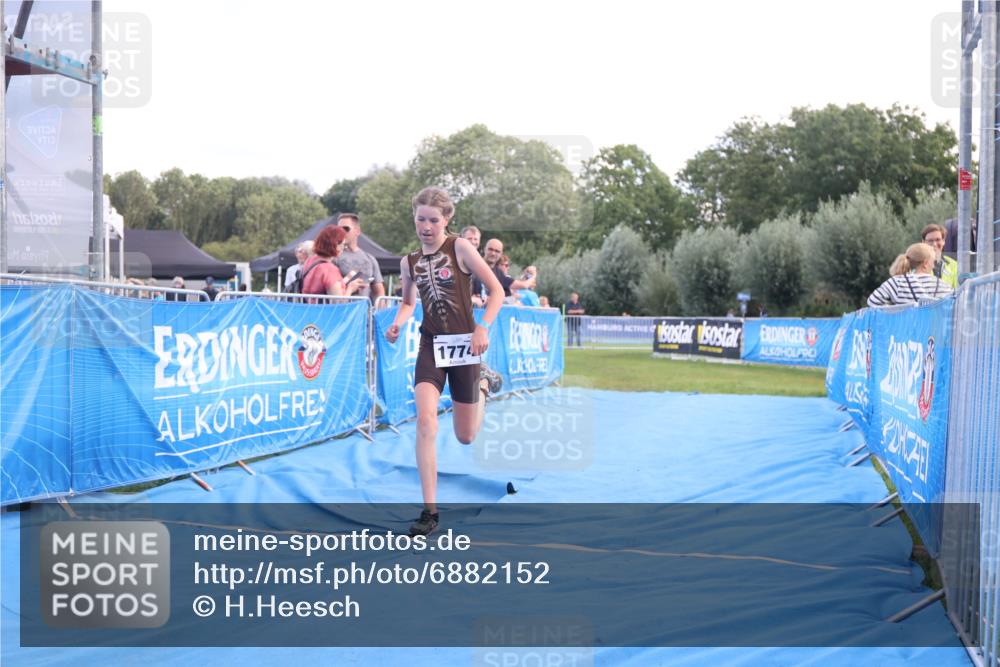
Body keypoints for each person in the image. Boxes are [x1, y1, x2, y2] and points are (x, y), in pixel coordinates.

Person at [385, 187, 504, 536]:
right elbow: (408, 303)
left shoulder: (461, 248)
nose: (426, 226)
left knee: (465, 436)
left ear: (446, 220)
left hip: (466, 346)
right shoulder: (409, 262)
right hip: (431, 345)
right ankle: (430, 512)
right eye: (420, 219)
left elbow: (496, 291)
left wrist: (483, 327)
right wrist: (397, 323)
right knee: (426, 422)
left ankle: (482, 383)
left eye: (433, 220)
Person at [867, 243, 953, 307]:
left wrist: (893, 312)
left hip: (902, 330)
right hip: (932, 330)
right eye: (933, 262)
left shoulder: (896, 282)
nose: (934, 266)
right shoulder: (942, 286)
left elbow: (873, 301)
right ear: (926, 263)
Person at [301, 225, 365, 299]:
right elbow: (339, 303)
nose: (344, 248)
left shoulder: (310, 260)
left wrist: (341, 283)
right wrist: (350, 289)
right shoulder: (329, 269)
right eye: (343, 245)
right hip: (325, 310)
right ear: (335, 245)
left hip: (307, 308)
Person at [334, 213, 386, 302]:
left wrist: (379, 313)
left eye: (346, 228)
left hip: (364, 312)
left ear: (357, 231)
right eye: (339, 229)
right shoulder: (334, 257)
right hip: (343, 311)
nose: (341, 232)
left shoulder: (369, 259)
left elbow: (379, 292)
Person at [471, 238, 535, 306]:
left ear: (501, 254)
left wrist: (534, 275)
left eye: (497, 251)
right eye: (490, 249)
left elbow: (524, 285)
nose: (493, 253)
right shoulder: (472, 265)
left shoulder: (499, 273)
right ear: (484, 249)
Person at [921, 224, 958, 289]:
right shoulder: (915, 264)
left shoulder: (954, 265)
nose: (934, 244)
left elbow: (958, 291)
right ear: (923, 242)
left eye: (938, 240)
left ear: (943, 241)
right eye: (930, 240)